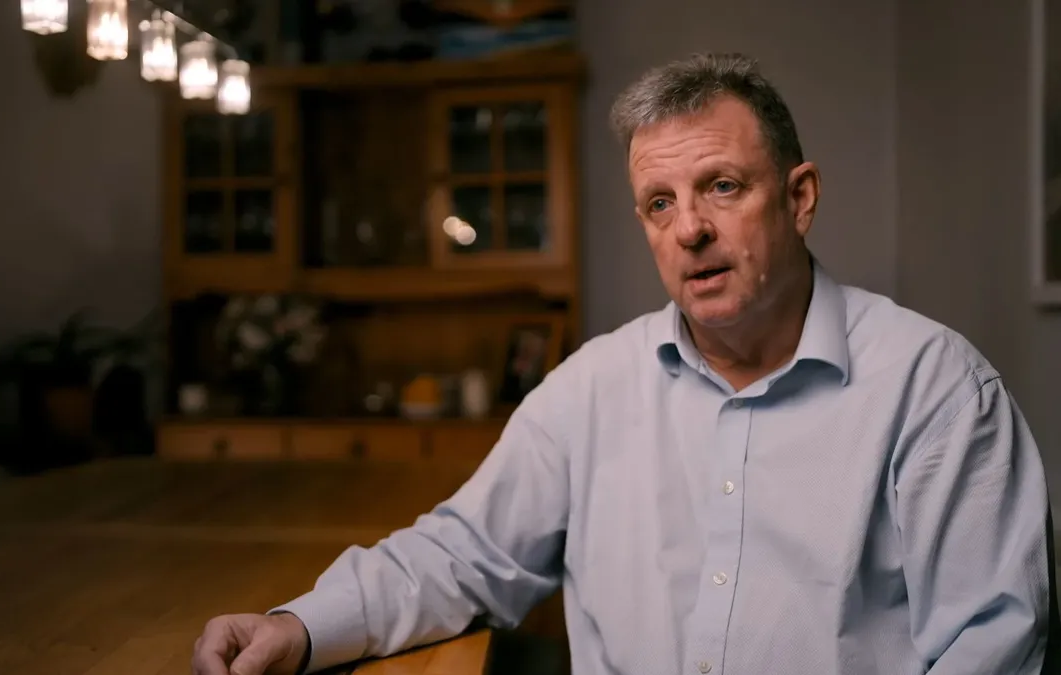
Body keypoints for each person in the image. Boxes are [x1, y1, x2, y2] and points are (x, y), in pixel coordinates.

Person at [191, 52, 1059, 675]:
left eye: (722, 186)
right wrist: (300, 626)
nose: (689, 229)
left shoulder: (935, 389)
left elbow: (992, 643)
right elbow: (462, 554)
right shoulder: (589, 388)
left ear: (799, 198)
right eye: (658, 203)